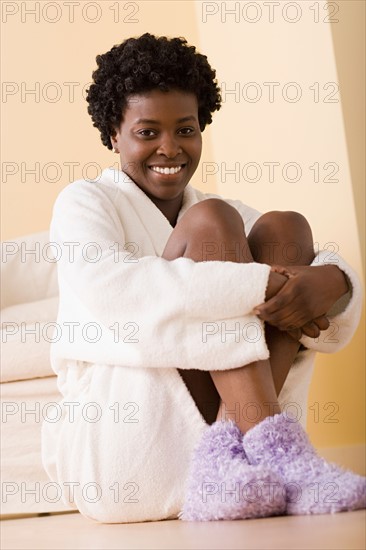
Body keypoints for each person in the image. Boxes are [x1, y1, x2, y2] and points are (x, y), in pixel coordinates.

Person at [41, 33, 365, 523]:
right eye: (147, 132)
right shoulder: (85, 202)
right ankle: (279, 453)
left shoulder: (228, 215)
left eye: (185, 129)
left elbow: (309, 273)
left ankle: (234, 455)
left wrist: (336, 283)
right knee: (213, 220)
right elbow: (113, 293)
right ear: (113, 134)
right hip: (136, 438)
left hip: (233, 457)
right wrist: (258, 286)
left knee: (286, 226)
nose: (169, 148)